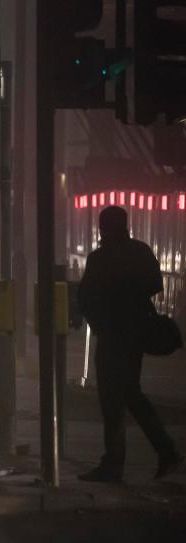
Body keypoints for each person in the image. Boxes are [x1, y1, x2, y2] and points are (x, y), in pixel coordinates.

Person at [77, 205, 183, 482]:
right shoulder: (141, 251)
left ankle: (116, 461)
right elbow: (155, 285)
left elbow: (86, 297)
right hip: (134, 334)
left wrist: (99, 319)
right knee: (131, 394)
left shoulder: (99, 258)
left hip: (111, 334)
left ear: (102, 228)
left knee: (112, 400)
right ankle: (165, 450)